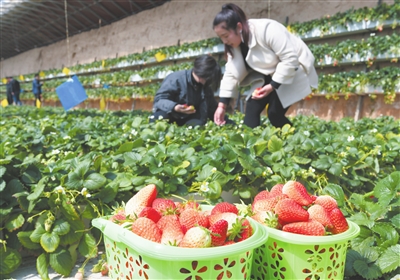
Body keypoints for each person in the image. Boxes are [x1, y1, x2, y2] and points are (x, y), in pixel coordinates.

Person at [212, 3, 318, 128]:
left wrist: (272, 86)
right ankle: (248, 145)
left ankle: (296, 141)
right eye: (221, 38)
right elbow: (231, 74)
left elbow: (290, 59)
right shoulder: (234, 46)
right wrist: (221, 106)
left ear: (239, 27)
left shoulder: (267, 29)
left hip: (292, 69)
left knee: (275, 114)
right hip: (268, 74)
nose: (224, 41)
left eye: (225, 36)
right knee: (252, 108)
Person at [151, 55, 232, 126]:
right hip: (170, 114)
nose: (209, 81)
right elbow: (159, 100)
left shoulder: (205, 87)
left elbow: (212, 109)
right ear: (203, 74)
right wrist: (174, 107)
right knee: (159, 118)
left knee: (198, 125)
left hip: (188, 119)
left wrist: (227, 122)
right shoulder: (176, 79)